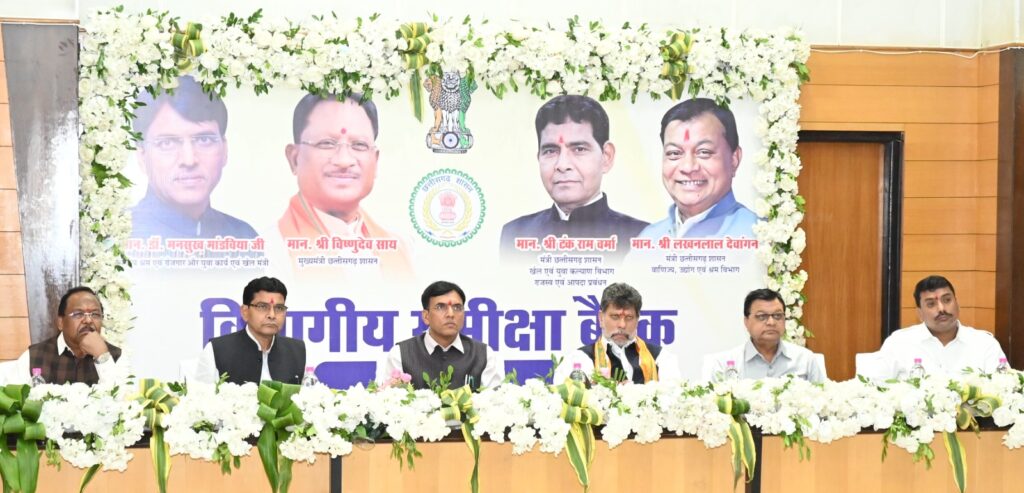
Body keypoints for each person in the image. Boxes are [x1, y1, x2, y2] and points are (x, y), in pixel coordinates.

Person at [278, 93, 412, 277]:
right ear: (294, 159)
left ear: (375, 161)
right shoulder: (271, 249)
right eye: (326, 143)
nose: (344, 161)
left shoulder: (401, 248)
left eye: (359, 145)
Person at [500, 95, 647, 260]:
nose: (562, 165)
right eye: (550, 151)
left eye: (579, 149)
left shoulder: (643, 237)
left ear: (606, 157)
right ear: (539, 157)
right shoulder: (515, 234)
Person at [130, 75, 257, 239]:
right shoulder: (118, 235)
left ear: (225, 150)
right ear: (142, 157)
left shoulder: (244, 237)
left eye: (204, 140)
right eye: (167, 143)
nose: (189, 160)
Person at [637, 98, 758, 239]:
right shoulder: (647, 239)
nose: (688, 167)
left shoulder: (761, 236)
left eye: (704, 152)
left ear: (734, 159)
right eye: (674, 153)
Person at [378, 281, 504, 390]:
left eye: (457, 308)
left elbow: (494, 402)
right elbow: (391, 401)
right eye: (440, 307)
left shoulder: (483, 354)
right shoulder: (401, 353)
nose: (451, 314)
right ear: (426, 316)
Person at [878, 275, 1006, 377]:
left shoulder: (984, 344)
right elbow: (876, 390)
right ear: (919, 313)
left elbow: (1005, 390)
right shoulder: (899, 343)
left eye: (947, 300)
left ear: (957, 304)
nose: (941, 308)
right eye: (931, 304)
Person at [555, 283, 680, 383]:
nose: (622, 325)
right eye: (615, 317)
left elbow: (674, 399)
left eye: (629, 317)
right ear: (601, 318)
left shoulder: (660, 358)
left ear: (637, 320)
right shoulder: (580, 359)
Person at [195, 277, 305, 385]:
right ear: (245, 312)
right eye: (262, 307)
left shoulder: (297, 351)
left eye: (279, 308)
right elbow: (202, 396)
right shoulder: (216, 350)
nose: (272, 315)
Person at [7, 287, 125, 385]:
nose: (88, 320)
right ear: (61, 322)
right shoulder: (34, 356)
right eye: (78, 314)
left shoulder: (116, 356)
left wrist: (102, 357)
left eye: (95, 314)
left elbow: (122, 401)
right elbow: (11, 401)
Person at [701, 288, 824, 382]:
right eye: (762, 316)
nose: (771, 322)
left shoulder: (805, 360)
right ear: (746, 321)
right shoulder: (724, 364)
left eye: (777, 315)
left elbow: (823, 402)